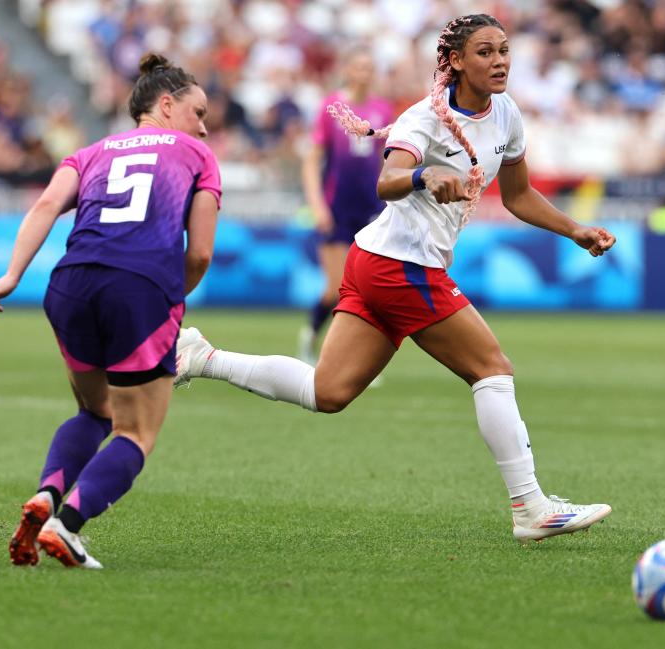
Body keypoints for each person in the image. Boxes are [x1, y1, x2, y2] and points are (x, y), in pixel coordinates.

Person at [176, 14, 615, 544]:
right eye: (485, 52)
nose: (500, 61)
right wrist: (425, 174)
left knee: (328, 391)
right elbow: (387, 180)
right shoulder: (422, 120)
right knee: (491, 368)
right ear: (454, 61)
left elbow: (518, 196)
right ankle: (531, 507)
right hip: (400, 267)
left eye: (504, 50)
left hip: (374, 260)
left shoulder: (507, 114)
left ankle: (202, 358)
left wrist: (574, 230)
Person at [0, 53, 220, 568]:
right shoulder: (197, 155)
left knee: (95, 411)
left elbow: (45, 207)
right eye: (198, 113)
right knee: (136, 432)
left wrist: (10, 276)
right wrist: (173, 297)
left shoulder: (91, 152)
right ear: (167, 104)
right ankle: (66, 526)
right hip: (139, 288)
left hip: (69, 284)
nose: (204, 126)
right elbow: (198, 253)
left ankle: (46, 495)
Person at [299, 48, 392, 364]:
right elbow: (312, 160)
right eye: (359, 67)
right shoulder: (332, 107)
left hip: (371, 208)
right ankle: (311, 337)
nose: (365, 73)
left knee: (370, 288)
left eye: (370, 67)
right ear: (348, 70)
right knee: (337, 288)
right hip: (337, 207)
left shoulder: (382, 109)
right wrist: (317, 205)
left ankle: (356, 360)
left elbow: (387, 159)